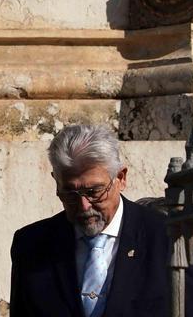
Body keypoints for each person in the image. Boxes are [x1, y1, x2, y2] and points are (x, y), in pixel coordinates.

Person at [10, 123, 167, 317]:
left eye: (94, 192)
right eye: (70, 193)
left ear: (120, 178)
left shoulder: (165, 237)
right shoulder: (31, 244)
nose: (84, 206)